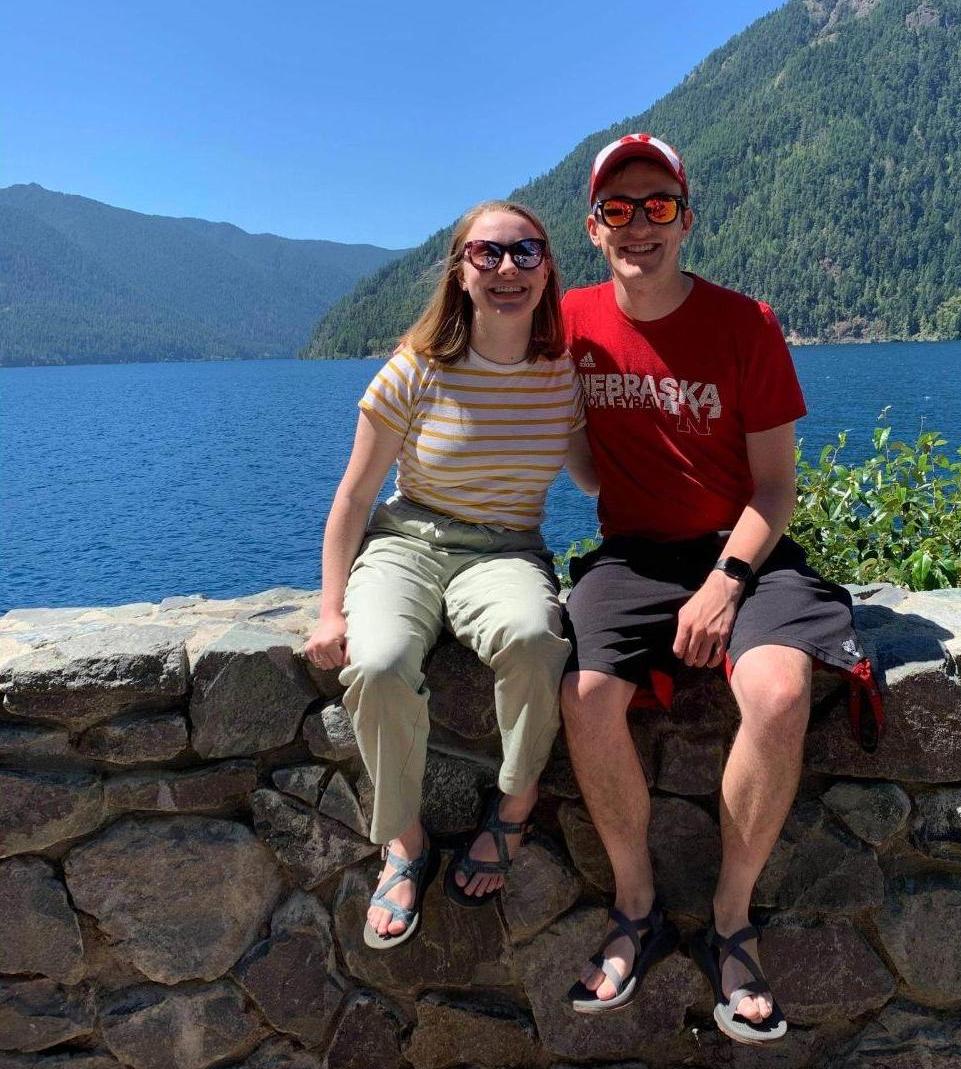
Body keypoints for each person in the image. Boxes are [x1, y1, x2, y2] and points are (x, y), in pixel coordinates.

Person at [560, 134, 879, 1043]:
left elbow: (775, 489)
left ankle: (732, 923)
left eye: (657, 205)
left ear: (687, 220)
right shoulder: (573, 321)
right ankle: (636, 906)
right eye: (618, 209)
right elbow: (583, 474)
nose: (638, 224)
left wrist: (726, 580)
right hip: (632, 555)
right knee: (582, 694)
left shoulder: (745, 324)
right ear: (593, 228)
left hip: (743, 549)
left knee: (777, 691)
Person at [304, 200, 596, 950]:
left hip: (504, 551)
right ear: (459, 271)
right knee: (375, 663)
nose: (507, 269)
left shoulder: (561, 375)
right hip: (407, 543)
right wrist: (329, 608)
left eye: (526, 253)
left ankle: (513, 805)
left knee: (536, 636)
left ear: (548, 268)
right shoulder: (416, 369)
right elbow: (355, 496)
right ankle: (404, 843)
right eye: (487, 254)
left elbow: (597, 479)